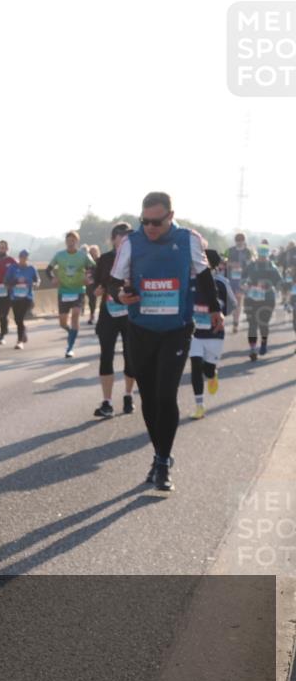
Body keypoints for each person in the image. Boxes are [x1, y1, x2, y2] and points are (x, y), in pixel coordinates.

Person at [108, 191, 223, 492]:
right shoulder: (132, 242)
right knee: (148, 398)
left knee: (165, 394)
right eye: (144, 221)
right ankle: (160, 455)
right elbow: (113, 281)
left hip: (176, 328)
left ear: (170, 216)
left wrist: (215, 310)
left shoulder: (189, 239)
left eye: (156, 222)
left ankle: (162, 461)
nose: (150, 228)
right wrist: (120, 295)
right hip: (140, 329)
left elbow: (205, 275)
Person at [92, 223, 136, 418]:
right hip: (108, 312)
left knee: (131, 356)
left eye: (128, 236)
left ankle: (128, 395)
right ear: (113, 239)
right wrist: (96, 289)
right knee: (106, 355)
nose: (126, 239)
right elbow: (95, 284)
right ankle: (107, 402)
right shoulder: (105, 259)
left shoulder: (136, 257)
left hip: (129, 313)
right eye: (122, 236)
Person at [189, 249, 236, 419]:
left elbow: (232, 305)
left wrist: (219, 314)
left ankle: (212, 374)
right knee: (195, 366)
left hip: (215, 334)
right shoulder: (191, 281)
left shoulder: (222, 283)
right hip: (195, 333)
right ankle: (199, 405)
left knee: (207, 370)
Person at [46, 230, 95, 358]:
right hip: (64, 291)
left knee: (75, 315)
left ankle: (70, 347)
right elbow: (48, 269)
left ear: (76, 242)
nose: (70, 243)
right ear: (66, 242)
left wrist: (88, 278)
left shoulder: (83, 255)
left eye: (73, 240)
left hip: (78, 290)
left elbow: (94, 268)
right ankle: (71, 332)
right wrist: (52, 279)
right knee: (62, 322)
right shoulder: (59, 255)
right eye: (68, 241)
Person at [241, 241, 283, 360]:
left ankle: (263, 343)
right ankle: (253, 349)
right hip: (251, 299)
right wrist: (245, 285)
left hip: (267, 300)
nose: (262, 258)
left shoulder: (272, 267)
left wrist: (269, 286)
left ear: (267, 255)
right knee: (252, 324)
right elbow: (242, 278)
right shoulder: (251, 265)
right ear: (257, 255)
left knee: (263, 324)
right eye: (260, 256)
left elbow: (279, 282)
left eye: (264, 256)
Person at [4, 249, 39, 349]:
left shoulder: (32, 268)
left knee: (20, 318)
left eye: (25, 257)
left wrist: (35, 284)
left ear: (27, 258)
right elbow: (6, 281)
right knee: (17, 319)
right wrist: (13, 283)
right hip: (15, 297)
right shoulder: (12, 268)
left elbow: (37, 280)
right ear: (19, 258)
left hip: (27, 297)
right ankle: (23, 330)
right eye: (21, 257)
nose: (23, 259)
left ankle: (19, 341)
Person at [226, 232, 254, 333]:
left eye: (241, 240)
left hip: (243, 279)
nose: (239, 242)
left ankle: (235, 323)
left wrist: (242, 266)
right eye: (238, 240)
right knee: (233, 301)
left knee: (238, 300)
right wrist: (231, 264)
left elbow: (251, 264)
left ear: (244, 241)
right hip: (231, 279)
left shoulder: (248, 251)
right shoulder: (229, 250)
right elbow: (223, 261)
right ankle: (234, 317)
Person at [85, 244, 101, 325]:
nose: (93, 253)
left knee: (94, 299)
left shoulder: (100, 261)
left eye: (94, 251)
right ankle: (92, 315)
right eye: (91, 252)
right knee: (91, 300)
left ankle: (94, 316)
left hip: (99, 283)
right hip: (90, 283)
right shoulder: (87, 261)